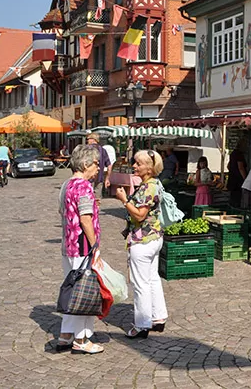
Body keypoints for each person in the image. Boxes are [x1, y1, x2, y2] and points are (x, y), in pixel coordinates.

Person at [115, 150, 168, 340]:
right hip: (154, 237)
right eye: (135, 163)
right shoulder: (152, 184)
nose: (134, 166)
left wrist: (124, 200)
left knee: (140, 284)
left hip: (142, 239)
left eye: (138, 164)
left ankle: (142, 324)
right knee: (152, 278)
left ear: (149, 167)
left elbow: (139, 215)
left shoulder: (148, 187)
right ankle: (158, 317)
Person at [57, 144, 103, 354]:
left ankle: (66, 334)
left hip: (68, 243)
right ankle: (82, 338)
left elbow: (64, 211)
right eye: (95, 164)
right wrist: (95, 246)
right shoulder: (84, 186)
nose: (98, 168)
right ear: (85, 164)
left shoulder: (67, 184)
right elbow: (85, 219)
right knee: (84, 293)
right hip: (82, 245)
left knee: (72, 290)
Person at [86, 133, 112, 198]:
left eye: (88, 139)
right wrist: (107, 178)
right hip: (99, 178)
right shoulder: (103, 150)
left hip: (88, 177)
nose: (87, 141)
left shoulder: (86, 149)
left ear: (93, 139)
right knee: (97, 199)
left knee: (88, 197)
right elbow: (109, 166)